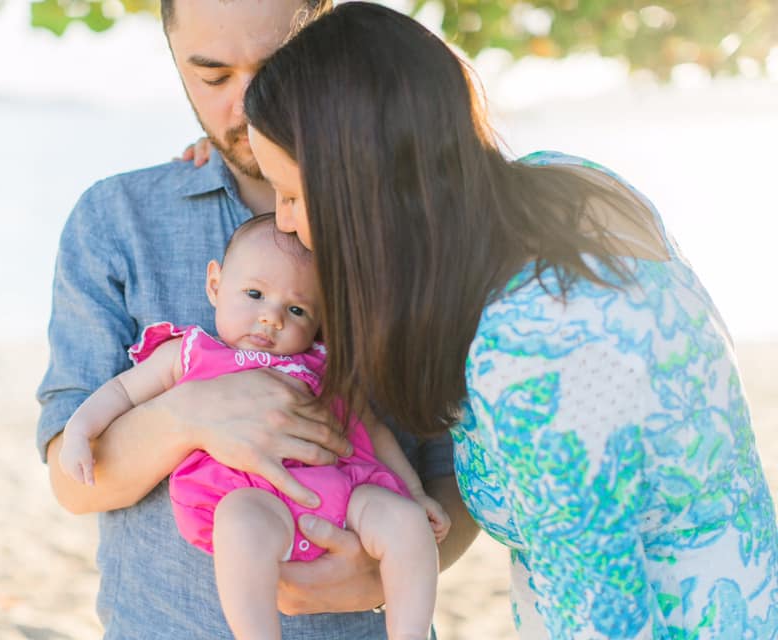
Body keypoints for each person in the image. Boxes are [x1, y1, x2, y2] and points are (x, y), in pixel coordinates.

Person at [242, 3, 778, 638]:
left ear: (365, 189)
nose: (284, 222)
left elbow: (604, 622)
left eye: (295, 195)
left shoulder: (532, 351)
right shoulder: (570, 187)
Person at [35, 1, 478, 638]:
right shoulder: (117, 219)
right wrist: (189, 415)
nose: (245, 107)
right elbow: (72, 481)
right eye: (213, 77)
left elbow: (455, 465)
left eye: (275, 72)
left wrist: (400, 564)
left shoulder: (412, 224)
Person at [59, 214, 450, 640]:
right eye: (254, 294)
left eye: (296, 309)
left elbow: (372, 430)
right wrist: (80, 430)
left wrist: (413, 493)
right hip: (255, 501)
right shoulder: (189, 353)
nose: (271, 318)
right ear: (215, 285)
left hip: (343, 496)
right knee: (238, 524)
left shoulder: (323, 363)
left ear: (320, 322)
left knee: (407, 523)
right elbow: (121, 391)